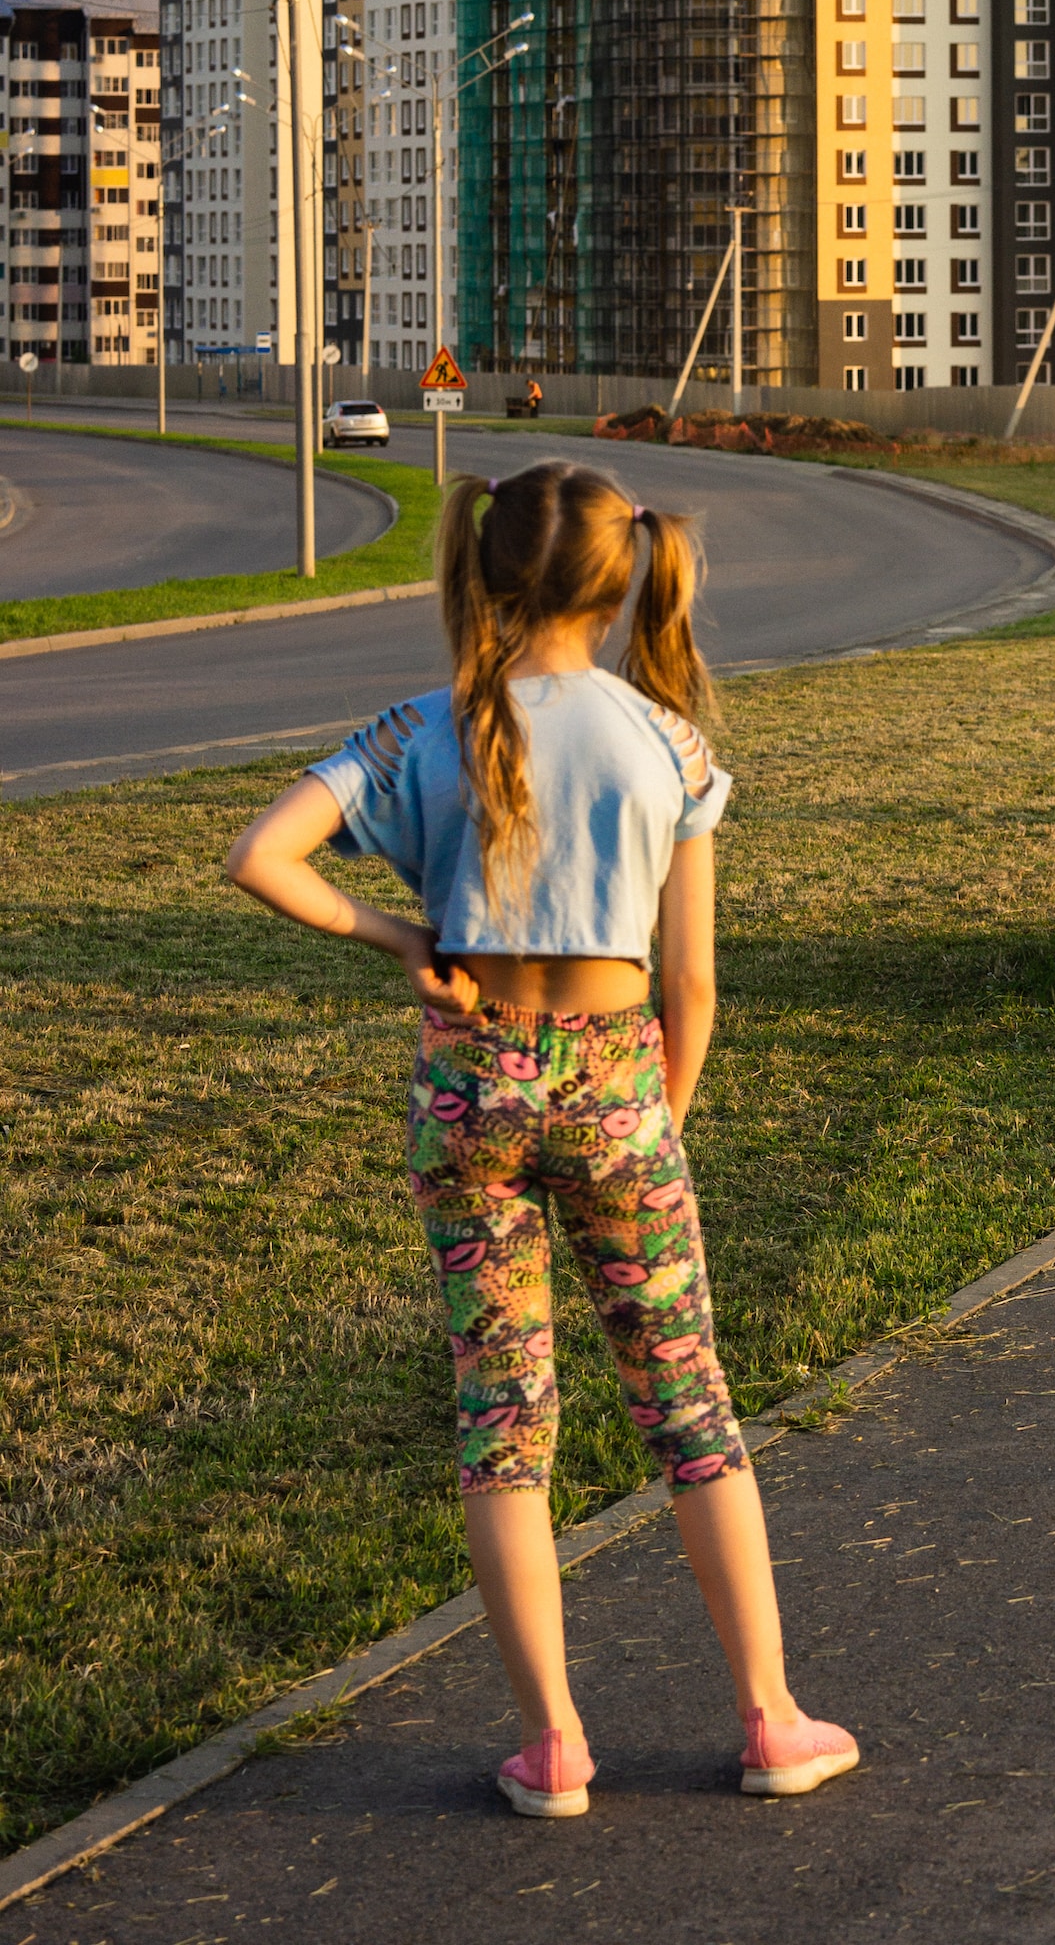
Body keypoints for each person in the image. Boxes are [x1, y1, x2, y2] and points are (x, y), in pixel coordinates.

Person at [225, 461, 857, 1816]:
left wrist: (397, 934)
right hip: (621, 1079)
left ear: (490, 572)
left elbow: (260, 857)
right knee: (689, 1410)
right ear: (624, 578)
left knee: (502, 1423)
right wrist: (652, 1129)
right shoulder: (668, 743)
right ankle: (770, 1718)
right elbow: (692, 989)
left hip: (470, 1088)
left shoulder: (418, 727)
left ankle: (555, 1746)